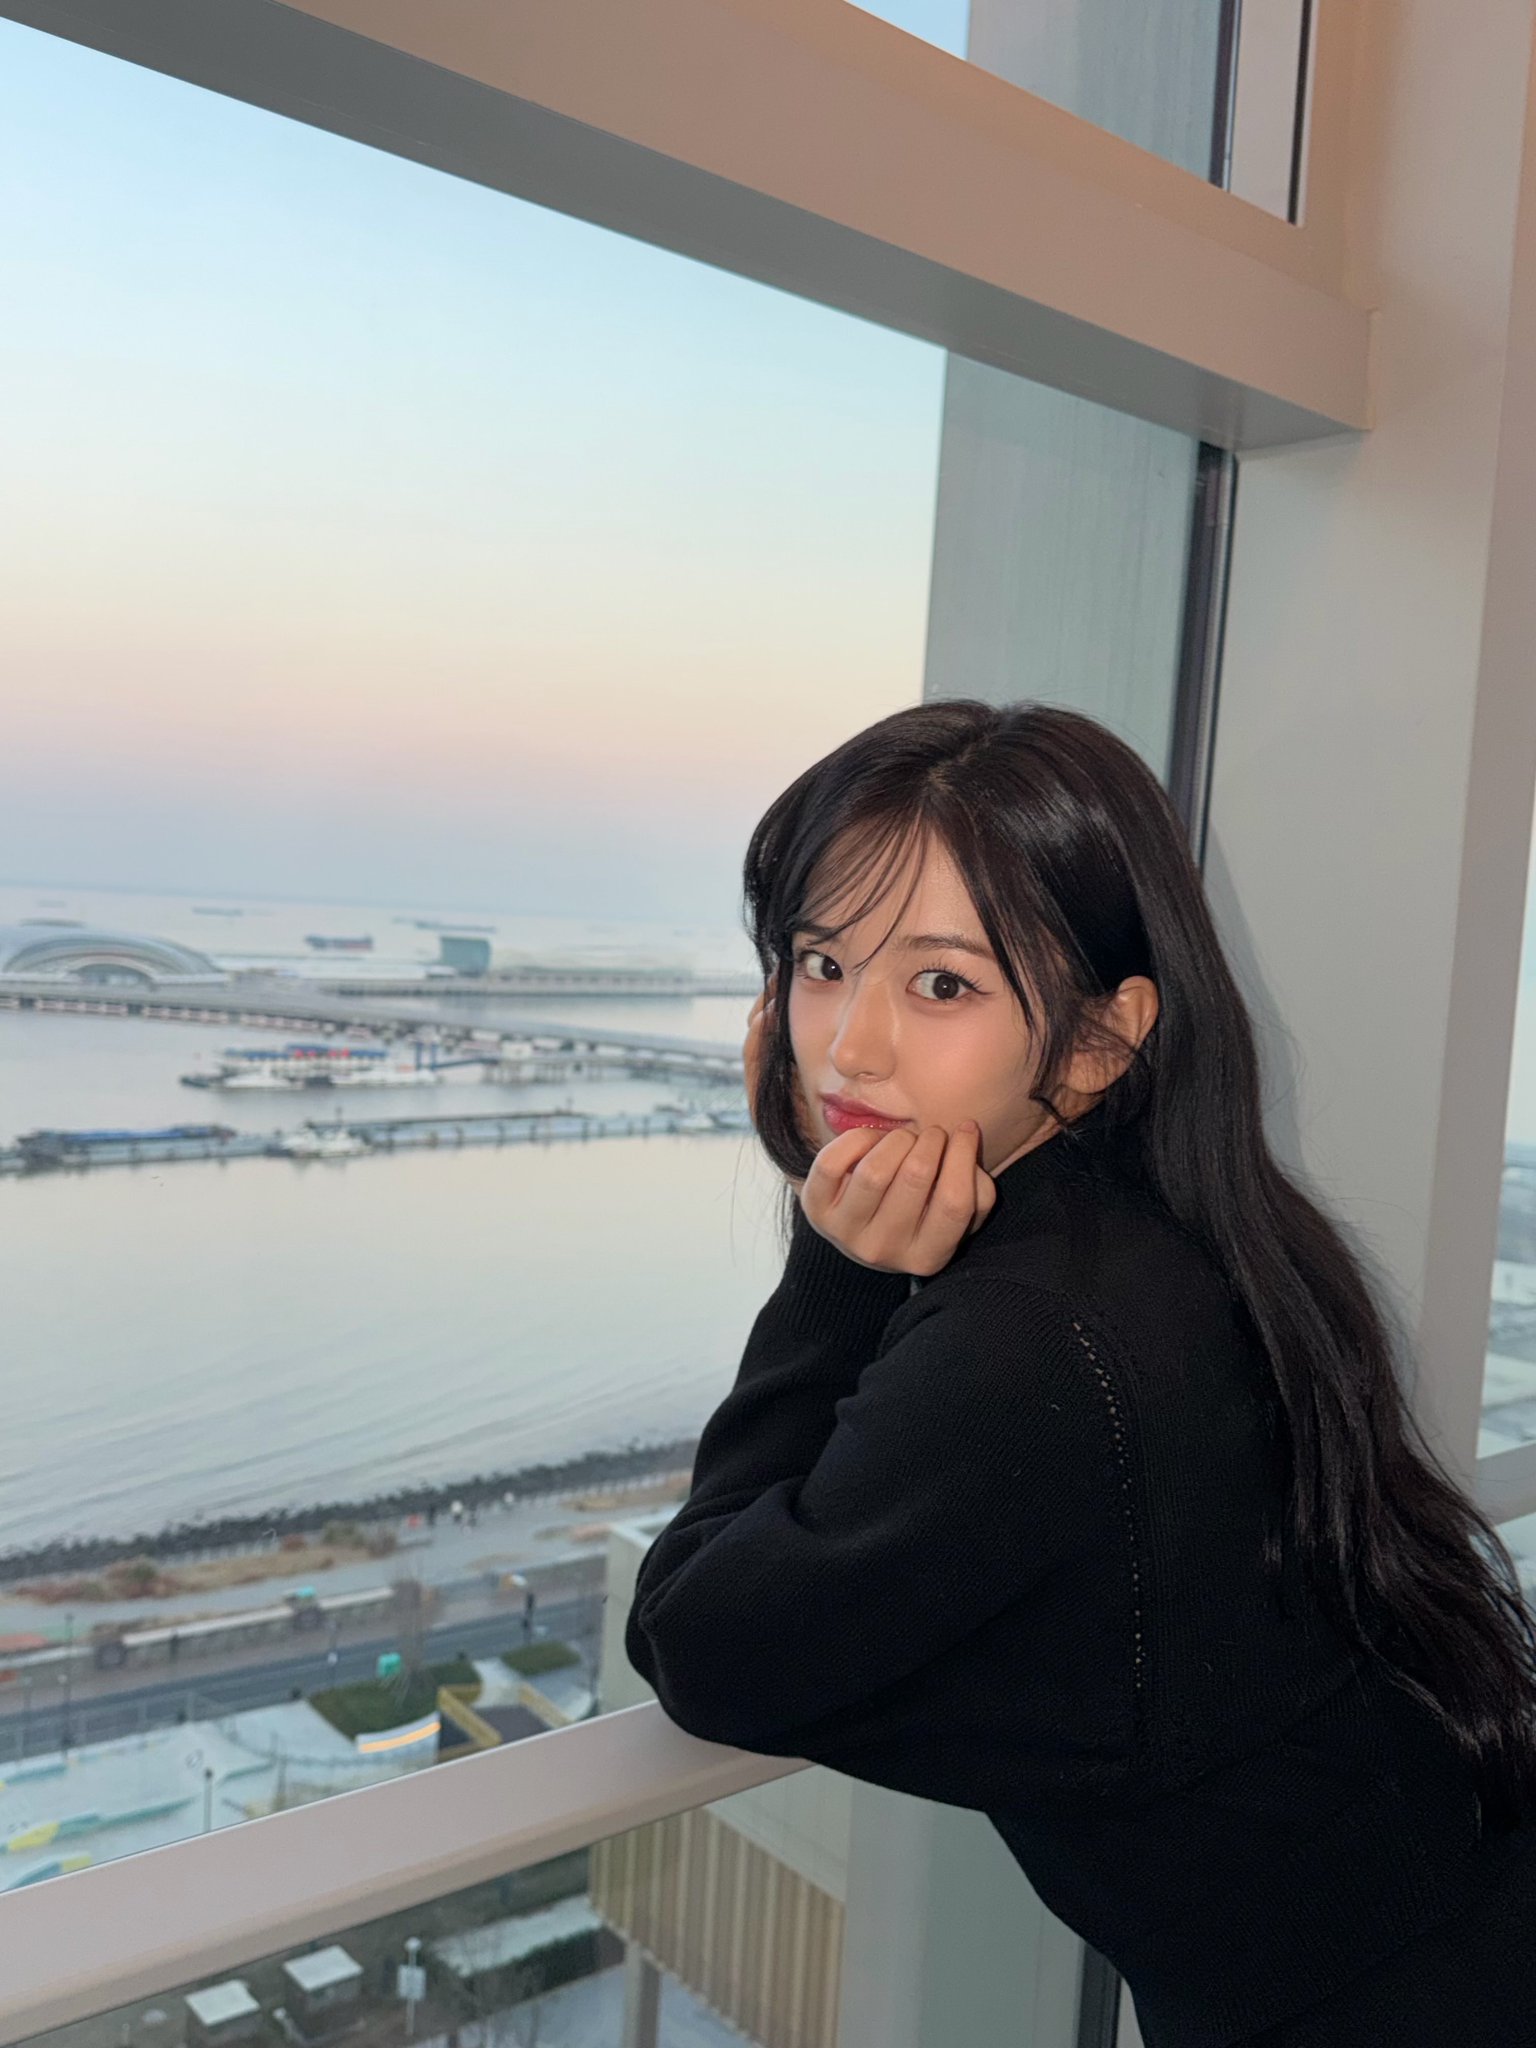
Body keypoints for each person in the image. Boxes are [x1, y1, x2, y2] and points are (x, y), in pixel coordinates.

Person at [624, 698, 1536, 2047]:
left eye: (942, 984)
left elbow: (701, 1643)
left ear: (1103, 1039)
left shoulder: (1030, 1340)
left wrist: (838, 1272)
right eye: (822, 963)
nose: (850, 1044)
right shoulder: (1188, 1228)